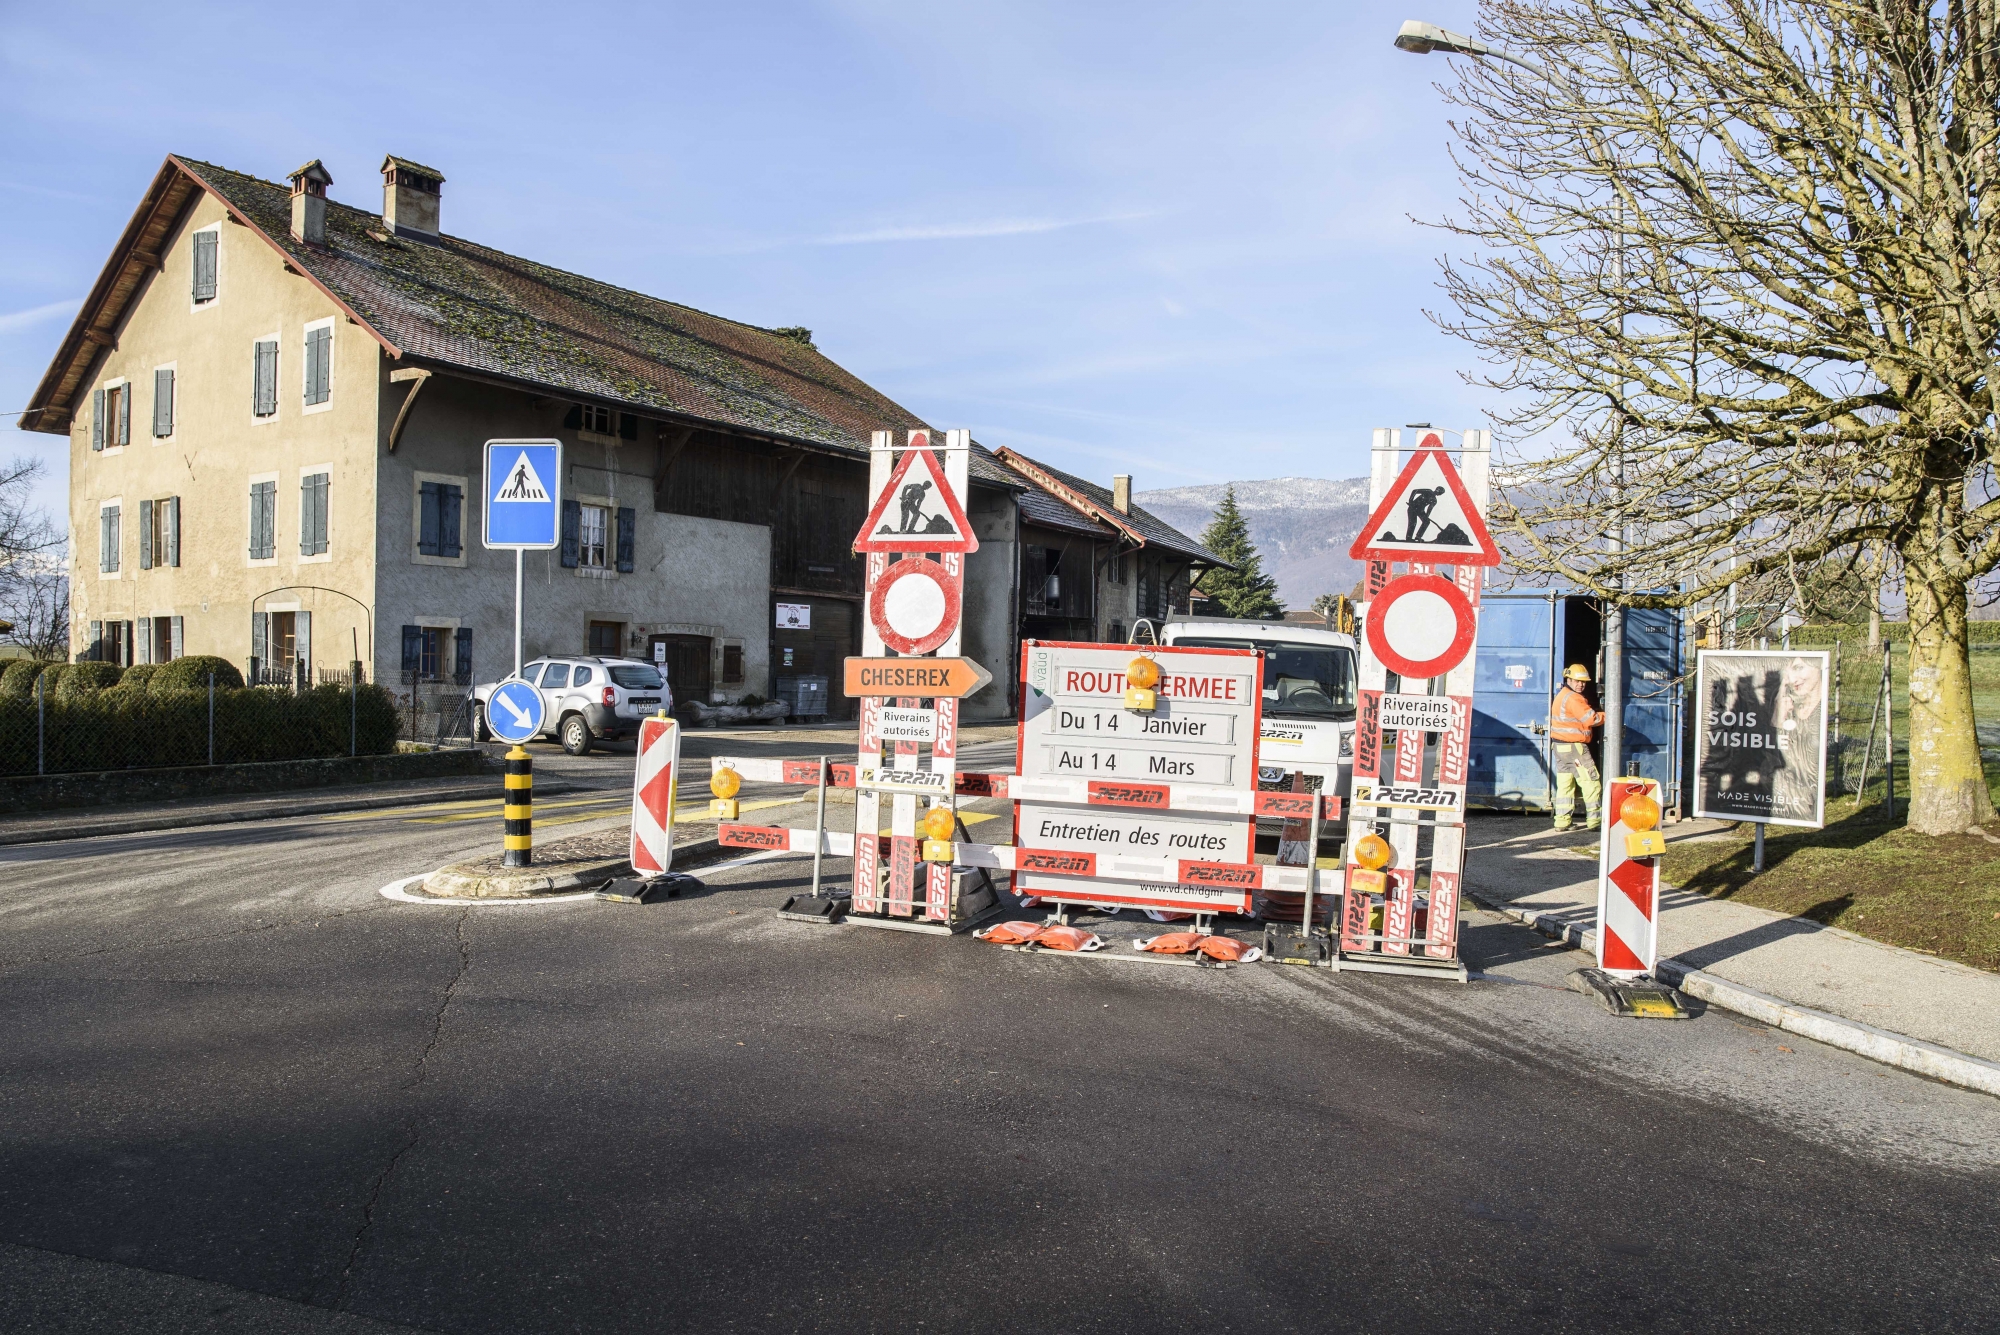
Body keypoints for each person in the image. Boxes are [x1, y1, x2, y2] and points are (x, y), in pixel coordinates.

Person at [1551, 663, 1605, 831]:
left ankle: (1562, 822)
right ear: (1569, 679)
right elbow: (1591, 719)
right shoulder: (1574, 698)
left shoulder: (1562, 695)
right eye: (1577, 681)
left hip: (1560, 748)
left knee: (1565, 785)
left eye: (1583, 682)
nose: (1581, 684)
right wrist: (1608, 714)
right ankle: (1595, 822)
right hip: (1575, 747)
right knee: (1591, 782)